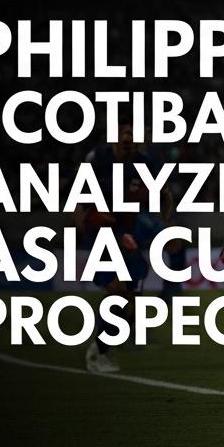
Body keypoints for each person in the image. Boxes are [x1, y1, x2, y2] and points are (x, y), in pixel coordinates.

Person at [79, 123, 172, 373]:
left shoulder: (145, 163)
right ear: (113, 141)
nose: (128, 143)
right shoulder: (97, 159)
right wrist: (83, 223)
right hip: (103, 235)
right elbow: (77, 195)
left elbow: (164, 193)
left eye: (132, 139)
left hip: (129, 236)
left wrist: (163, 224)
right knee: (117, 292)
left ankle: (102, 349)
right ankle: (97, 352)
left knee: (130, 302)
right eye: (123, 139)